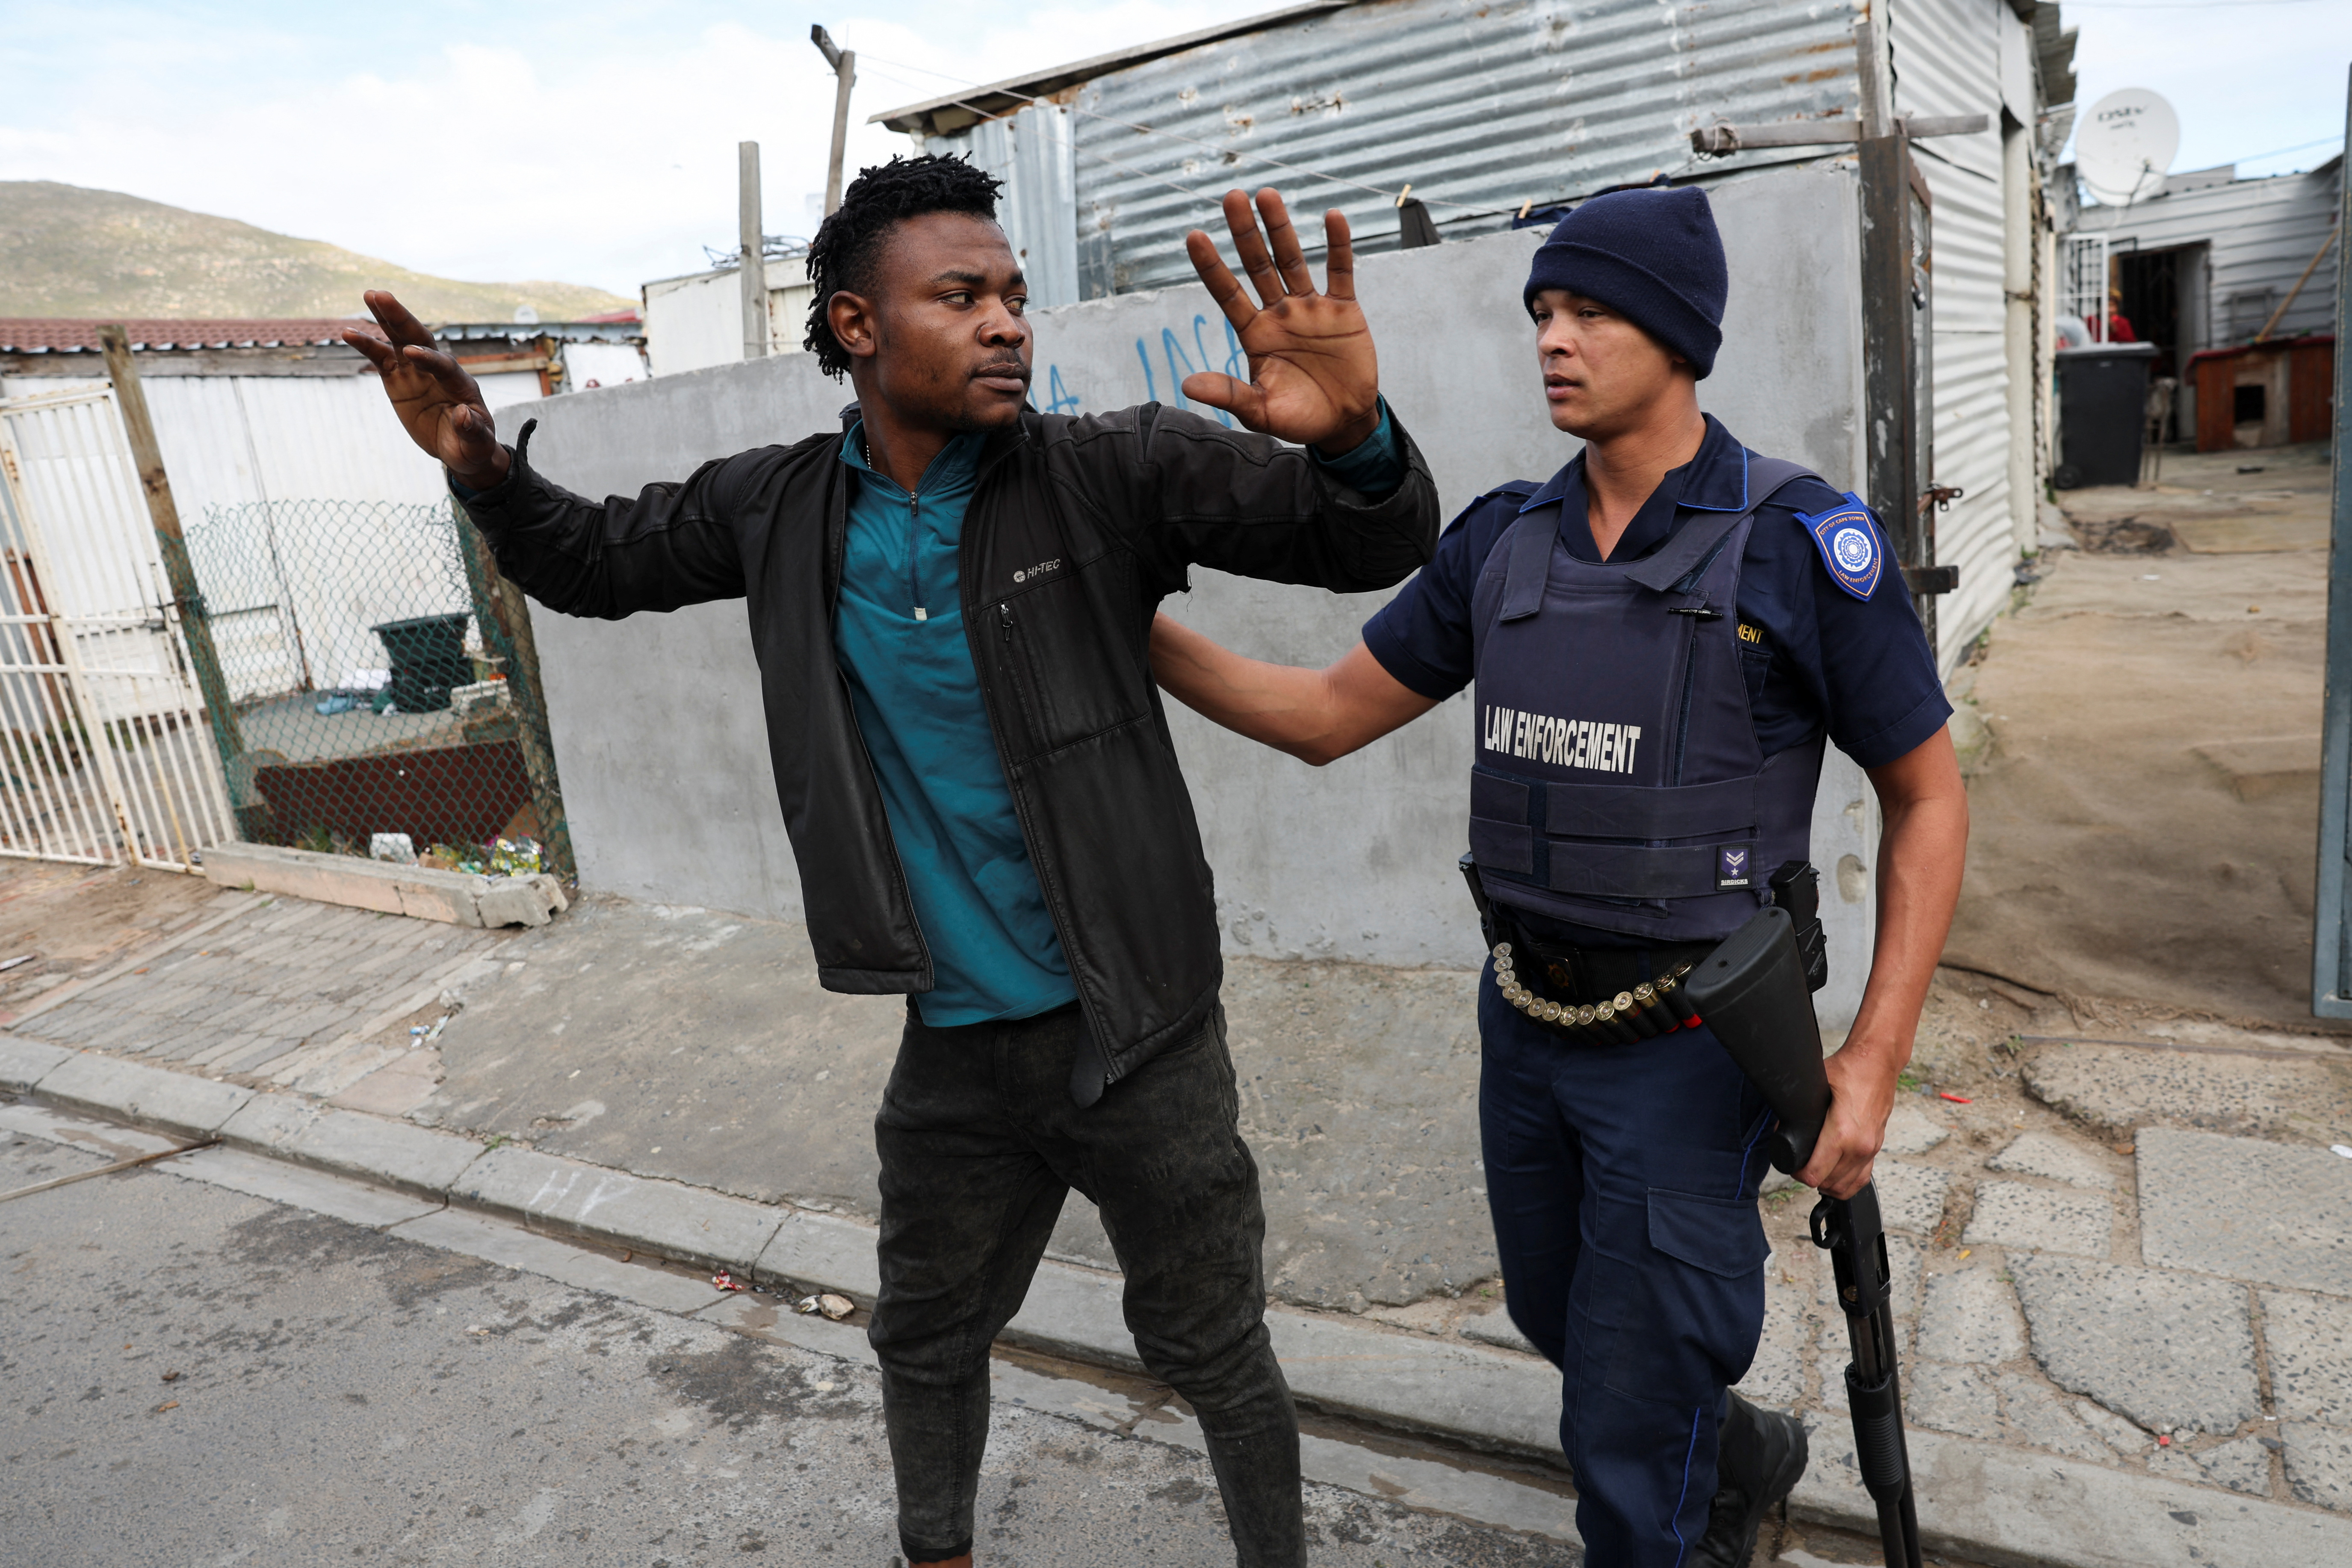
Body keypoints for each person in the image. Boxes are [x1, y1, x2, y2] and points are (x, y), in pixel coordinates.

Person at [343, 156, 1438, 1568]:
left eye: (1016, 298)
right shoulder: (782, 508)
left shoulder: (1107, 473)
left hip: (1140, 1036)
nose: (1007, 324)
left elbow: (1366, 541)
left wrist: (1352, 442)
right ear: (858, 327)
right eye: (963, 295)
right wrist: (486, 471)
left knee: (1211, 1346)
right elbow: (595, 561)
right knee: (925, 1333)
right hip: (956, 1050)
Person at [1147, 184, 1968, 1567]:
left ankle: (1673, 1496)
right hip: (1525, 1020)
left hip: (1694, 1044)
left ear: (1678, 333)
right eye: (1542, 310)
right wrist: (1129, 627)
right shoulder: (1499, 541)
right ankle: (1740, 1448)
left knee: (1625, 1441)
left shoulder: (1800, 541)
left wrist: (1875, 1058)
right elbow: (1322, 715)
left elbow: (1928, 798)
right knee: (1560, 1315)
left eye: (1589, 309)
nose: (1553, 337)